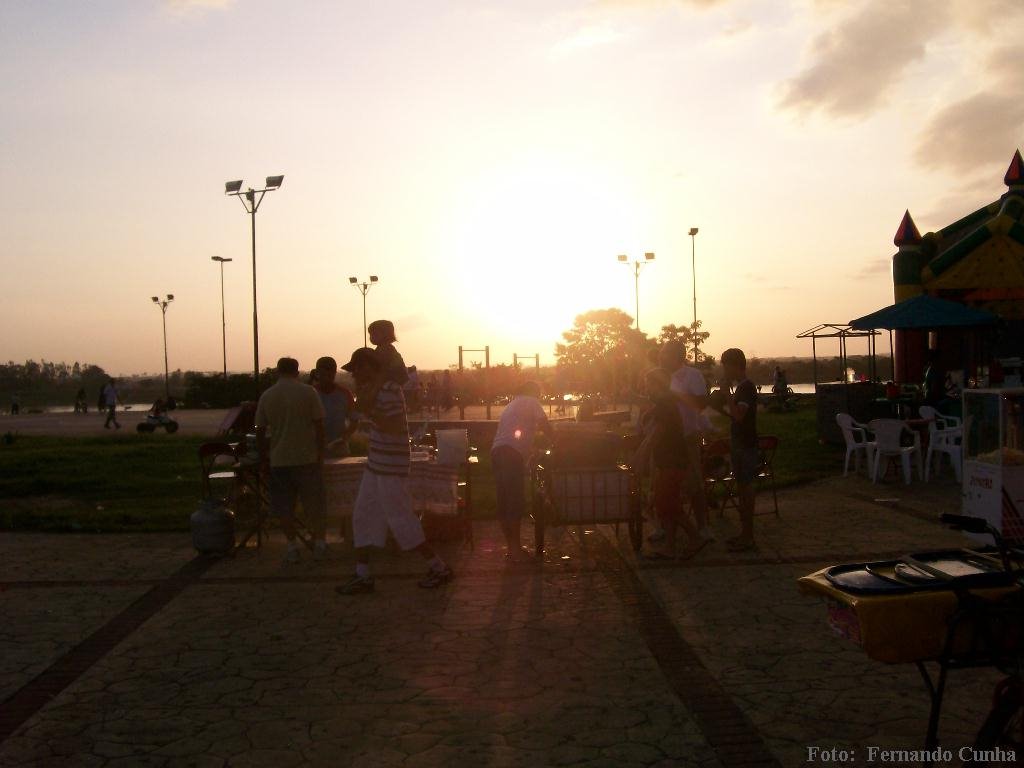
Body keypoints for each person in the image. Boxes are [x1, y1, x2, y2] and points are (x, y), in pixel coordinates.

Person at [335, 348, 452, 594]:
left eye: (357, 367)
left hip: (389, 465)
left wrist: (369, 414)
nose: (354, 373)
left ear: (370, 367)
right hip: (377, 463)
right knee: (363, 516)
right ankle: (362, 574)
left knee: (400, 518)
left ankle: (439, 567)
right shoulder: (374, 390)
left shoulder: (388, 390)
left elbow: (395, 425)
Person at [255, 357, 327, 563]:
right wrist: (321, 453)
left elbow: (260, 430)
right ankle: (320, 543)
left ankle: (292, 546)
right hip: (307, 458)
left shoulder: (267, 396)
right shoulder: (309, 393)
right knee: (315, 504)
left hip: (279, 460)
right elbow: (320, 426)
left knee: (284, 507)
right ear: (297, 371)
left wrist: (263, 458)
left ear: (278, 371)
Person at [640, 368, 705, 560]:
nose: (646, 389)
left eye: (648, 385)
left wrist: (641, 455)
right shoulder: (663, 403)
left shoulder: (665, 404)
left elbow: (658, 432)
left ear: (656, 385)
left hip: (672, 460)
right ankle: (670, 545)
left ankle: (695, 537)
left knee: (667, 503)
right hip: (669, 460)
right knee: (665, 503)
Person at [491, 381, 551, 561]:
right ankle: (515, 551)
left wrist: (531, 450)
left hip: (496, 452)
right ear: (533, 391)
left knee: (504, 501)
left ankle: (512, 547)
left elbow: (518, 433)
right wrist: (558, 440)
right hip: (511, 455)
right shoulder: (531, 401)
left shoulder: (511, 404)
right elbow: (544, 425)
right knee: (515, 502)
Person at [659, 341, 712, 542]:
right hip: (666, 438)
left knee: (694, 482)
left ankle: (703, 527)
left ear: (675, 356)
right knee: (664, 483)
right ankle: (665, 527)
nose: (661, 357)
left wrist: (675, 394)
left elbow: (700, 403)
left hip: (688, 435)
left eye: (665, 353)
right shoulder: (660, 375)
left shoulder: (693, 375)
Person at [709, 348, 759, 552]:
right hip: (740, 442)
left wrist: (726, 395)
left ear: (734, 365)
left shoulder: (746, 388)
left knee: (746, 490)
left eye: (725, 365)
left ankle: (748, 536)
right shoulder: (740, 388)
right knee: (741, 488)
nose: (723, 369)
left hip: (746, 445)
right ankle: (744, 534)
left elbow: (739, 415)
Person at [313, 356, 356, 458]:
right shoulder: (310, 393)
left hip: (339, 450)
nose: (327, 377)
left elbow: (354, 421)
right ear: (317, 373)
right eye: (324, 373)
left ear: (334, 373)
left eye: (330, 373)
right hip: (315, 451)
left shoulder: (345, 394)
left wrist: (344, 438)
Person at [367, 319, 408, 386]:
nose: (371, 337)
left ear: (385, 334)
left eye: (374, 334)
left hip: (389, 387)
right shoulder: (381, 349)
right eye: (371, 334)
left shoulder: (386, 350)